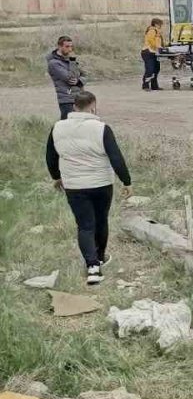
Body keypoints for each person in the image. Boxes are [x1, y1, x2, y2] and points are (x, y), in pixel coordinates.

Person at [45, 90, 132, 287]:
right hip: (101, 183)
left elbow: (51, 156)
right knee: (101, 221)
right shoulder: (101, 128)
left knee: (85, 225)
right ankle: (99, 257)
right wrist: (126, 181)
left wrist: (56, 177)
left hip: (74, 185)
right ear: (93, 105)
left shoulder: (57, 127)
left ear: (74, 106)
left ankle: (92, 266)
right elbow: (116, 157)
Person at [47, 36, 85, 119]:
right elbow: (69, 77)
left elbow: (86, 75)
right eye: (67, 46)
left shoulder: (70, 60)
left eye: (71, 46)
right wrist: (72, 62)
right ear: (59, 46)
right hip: (66, 99)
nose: (70, 49)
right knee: (66, 126)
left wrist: (79, 81)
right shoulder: (54, 63)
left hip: (78, 98)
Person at [141, 18, 164, 92]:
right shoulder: (152, 31)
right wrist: (158, 47)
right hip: (148, 52)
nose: (161, 26)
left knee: (156, 69)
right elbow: (151, 41)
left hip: (154, 52)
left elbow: (158, 42)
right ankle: (145, 85)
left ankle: (154, 86)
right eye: (160, 24)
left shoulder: (157, 32)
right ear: (156, 24)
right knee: (150, 69)